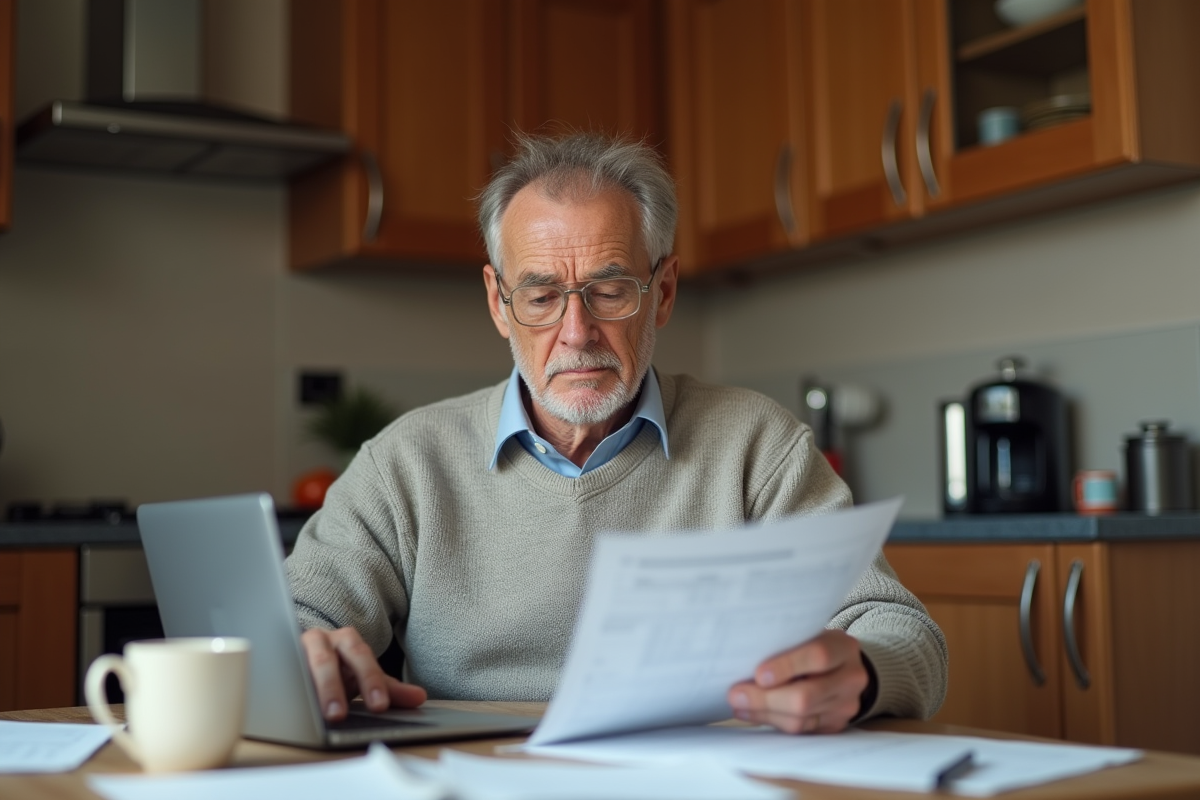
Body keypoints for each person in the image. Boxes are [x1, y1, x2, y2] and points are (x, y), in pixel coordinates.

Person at [285, 133, 947, 735]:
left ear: (662, 292)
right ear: (499, 303)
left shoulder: (758, 446)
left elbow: (903, 632)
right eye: (541, 296)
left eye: (609, 290)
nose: (576, 333)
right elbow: (294, 615)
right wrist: (303, 650)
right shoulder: (407, 461)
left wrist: (861, 676)